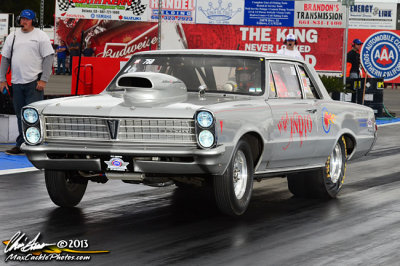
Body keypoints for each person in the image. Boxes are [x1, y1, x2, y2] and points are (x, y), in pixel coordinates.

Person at [0, 9, 54, 155]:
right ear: (19, 20)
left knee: (33, 114)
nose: (24, 21)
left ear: (33, 21)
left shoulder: (40, 36)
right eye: (22, 19)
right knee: (19, 114)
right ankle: (21, 143)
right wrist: (2, 79)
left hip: (34, 82)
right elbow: (5, 58)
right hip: (16, 82)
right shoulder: (13, 36)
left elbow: (49, 58)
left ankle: (35, 143)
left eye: (27, 19)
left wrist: (44, 80)